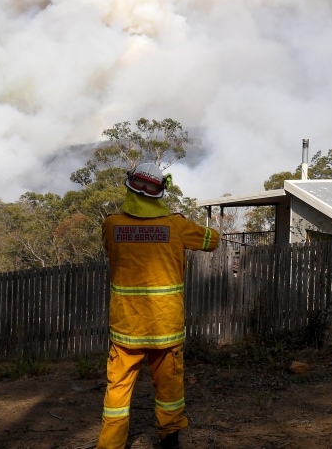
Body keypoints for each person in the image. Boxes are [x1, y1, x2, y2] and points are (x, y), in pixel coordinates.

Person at [97, 163, 219, 449]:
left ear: (129, 186)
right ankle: (169, 440)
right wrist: (182, 222)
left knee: (117, 391)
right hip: (166, 329)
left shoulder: (111, 225)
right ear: (160, 192)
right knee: (169, 389)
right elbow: (212, 241)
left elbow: (110, 247)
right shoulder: (176, 226)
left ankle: (110, 444)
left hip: (126, 329)